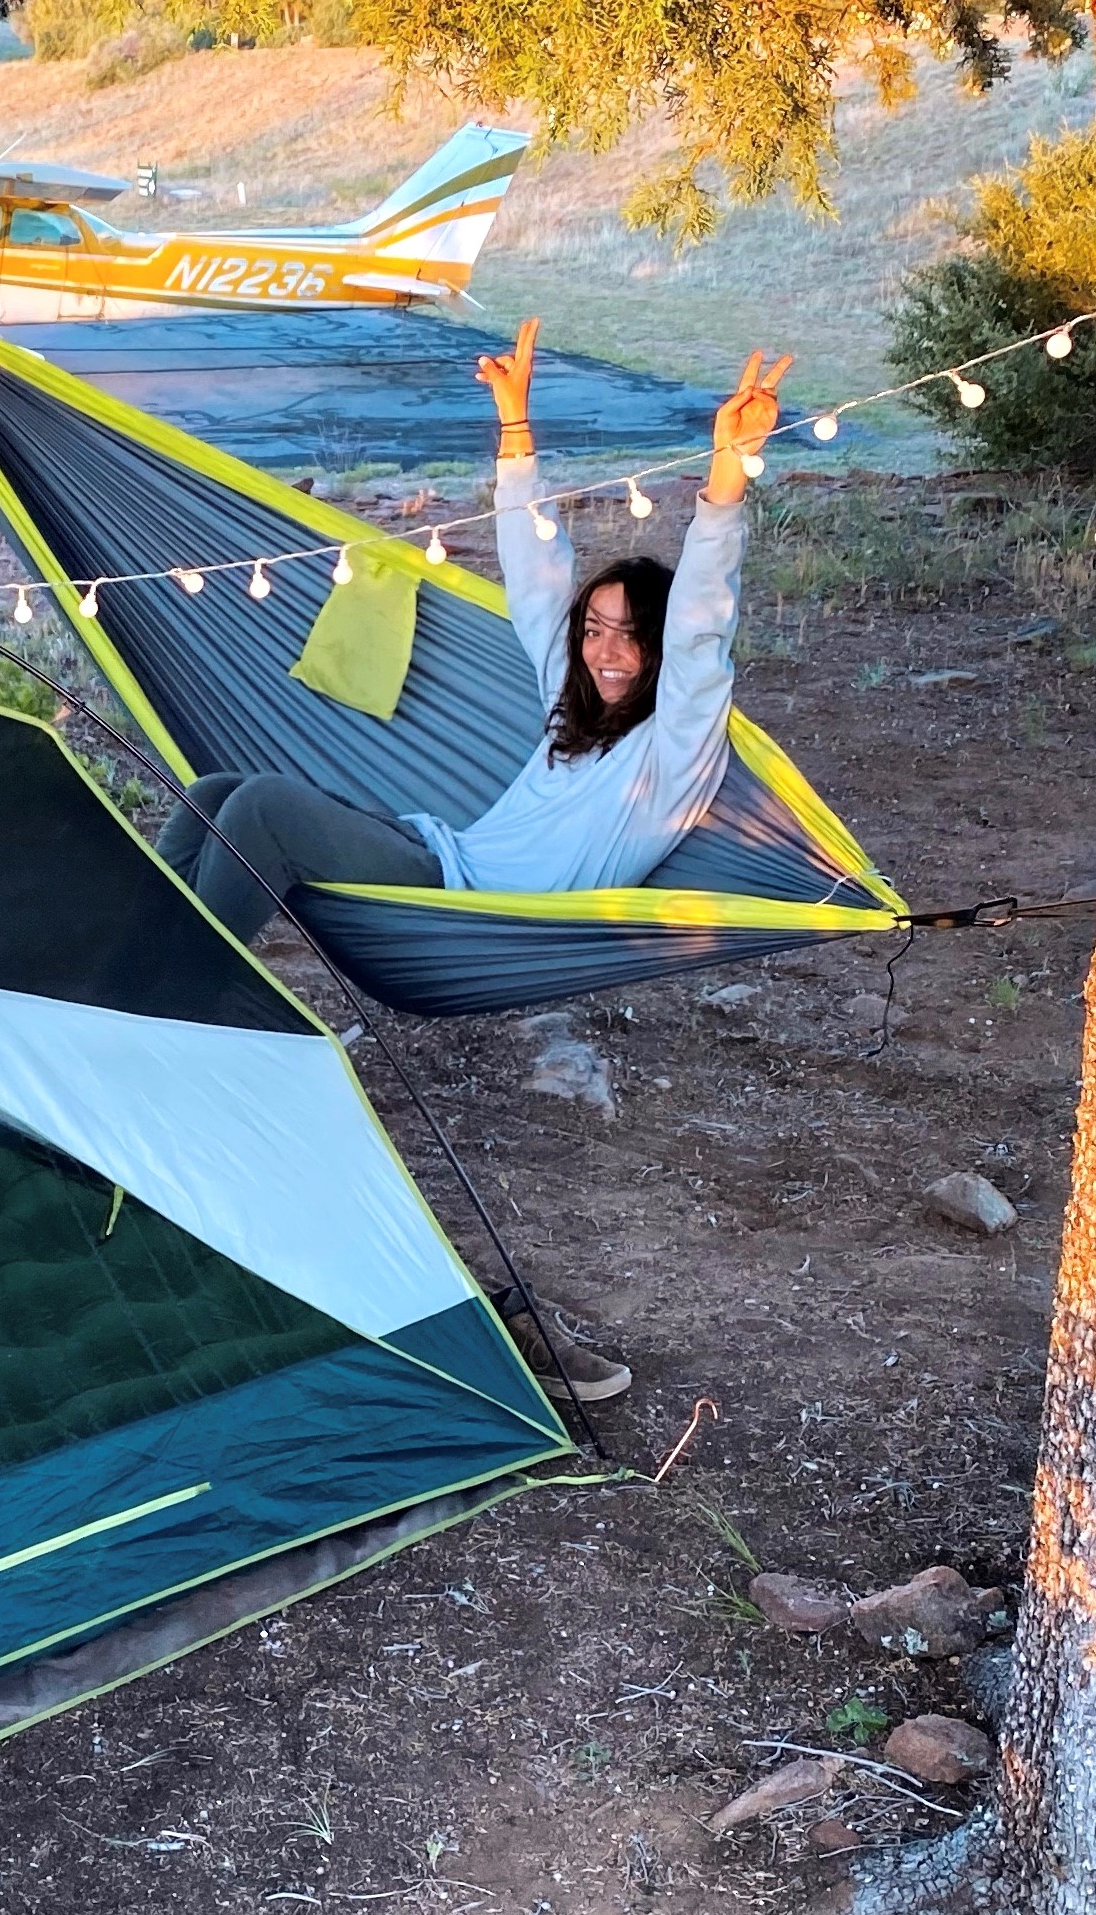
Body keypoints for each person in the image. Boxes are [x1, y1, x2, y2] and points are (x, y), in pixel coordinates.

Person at [155, 323, 791, 1407]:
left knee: (256, 806)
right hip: (435, 858)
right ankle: (140, 962)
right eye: (596, 631)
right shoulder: (570, 715)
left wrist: (725, 476)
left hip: (471, 909)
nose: (604, 649)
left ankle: (157, 1009)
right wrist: (512, 421)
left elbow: (703, 623)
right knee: (216, 796)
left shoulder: (677, 740)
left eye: (626, 637)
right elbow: (532, 564)